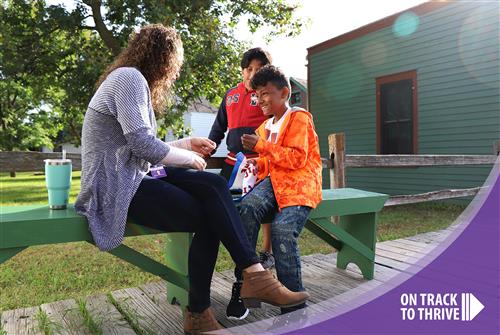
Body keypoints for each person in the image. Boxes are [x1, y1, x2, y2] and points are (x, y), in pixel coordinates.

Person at [74, 25, 309, 335]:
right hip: (114, 188)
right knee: (211, 214)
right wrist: (189, 158)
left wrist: (184, 144)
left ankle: (251, 274)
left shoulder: (129, 79)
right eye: (176, 65)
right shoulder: (129, 79)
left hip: (132, 175)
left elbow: (137, 147)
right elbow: (142, 146)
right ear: (165, 59)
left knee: (214, 186)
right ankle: (206, 308)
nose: (175, 73)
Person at [236, 65, 323, 315]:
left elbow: (296, 159)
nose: (260, 99)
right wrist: (256, 161)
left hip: (300, 183)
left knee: (282, 229)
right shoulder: (264, 128)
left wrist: (262, 148)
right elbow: (270, 163)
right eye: (257, 95)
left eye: (266, 93)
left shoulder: (299, 118)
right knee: (247, 207)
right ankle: (250, 275)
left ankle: (294, 307)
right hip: (274, 183)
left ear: (284, 93)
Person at [208, 47, 275, 320]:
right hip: (231, 164)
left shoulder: (268, 96)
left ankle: (245, 282)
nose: (251, 74)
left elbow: (278, 130)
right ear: (241, 71)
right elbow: (218, 127)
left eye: (257, 69)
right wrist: (206, 149)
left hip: (260, 165)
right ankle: (199, 279)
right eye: (248, 69)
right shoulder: (231, 95)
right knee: (213, 210)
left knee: (251, 215)